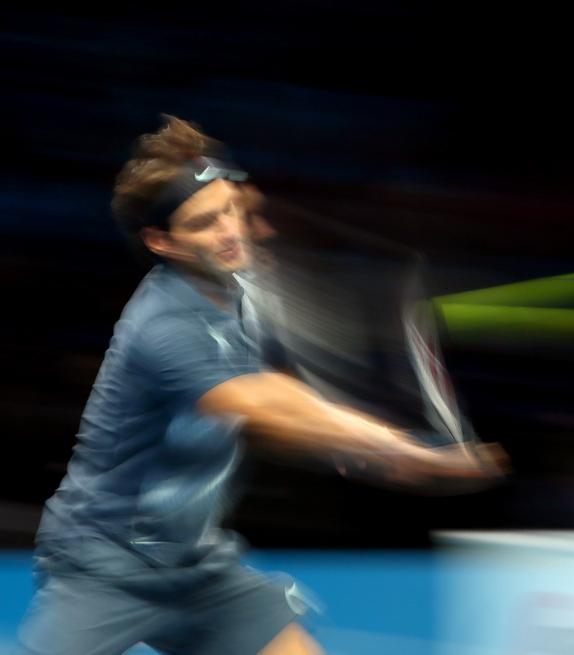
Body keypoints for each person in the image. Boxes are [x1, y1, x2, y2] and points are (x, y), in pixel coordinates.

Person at [14, 115, 505, 654]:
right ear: (162, 241)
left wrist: (339, 446)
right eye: (204, 223)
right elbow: (261, 402)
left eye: (230, 211)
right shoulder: (162, 323)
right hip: (104, 562)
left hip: (199, 564)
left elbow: (259, 423)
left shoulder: (245, 293)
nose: (229, 232)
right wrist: (394, 445)